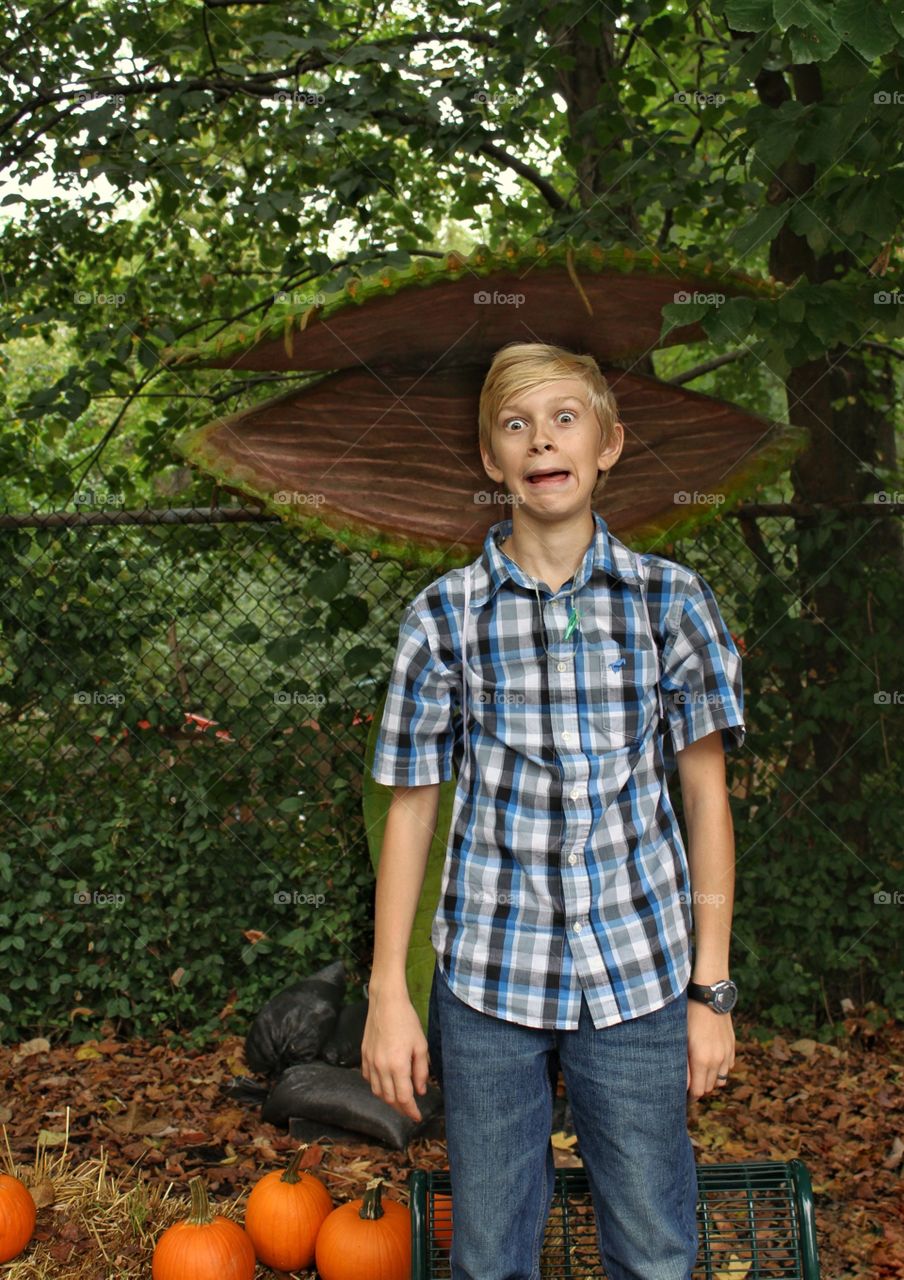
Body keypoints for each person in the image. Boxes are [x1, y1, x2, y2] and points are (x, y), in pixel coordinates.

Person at [361, 340, 746, 1280]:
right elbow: (411, 813)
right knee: (489, 1252)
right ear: (492, 458)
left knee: (656, 1248)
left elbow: (705, 799)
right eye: (516, 425)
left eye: (565, 419)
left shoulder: (672, 605)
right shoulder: (444, 619)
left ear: (607, 444)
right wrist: (387, 996)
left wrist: (712, 990)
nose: (543, 442)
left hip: (640, 981)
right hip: (489, 982)